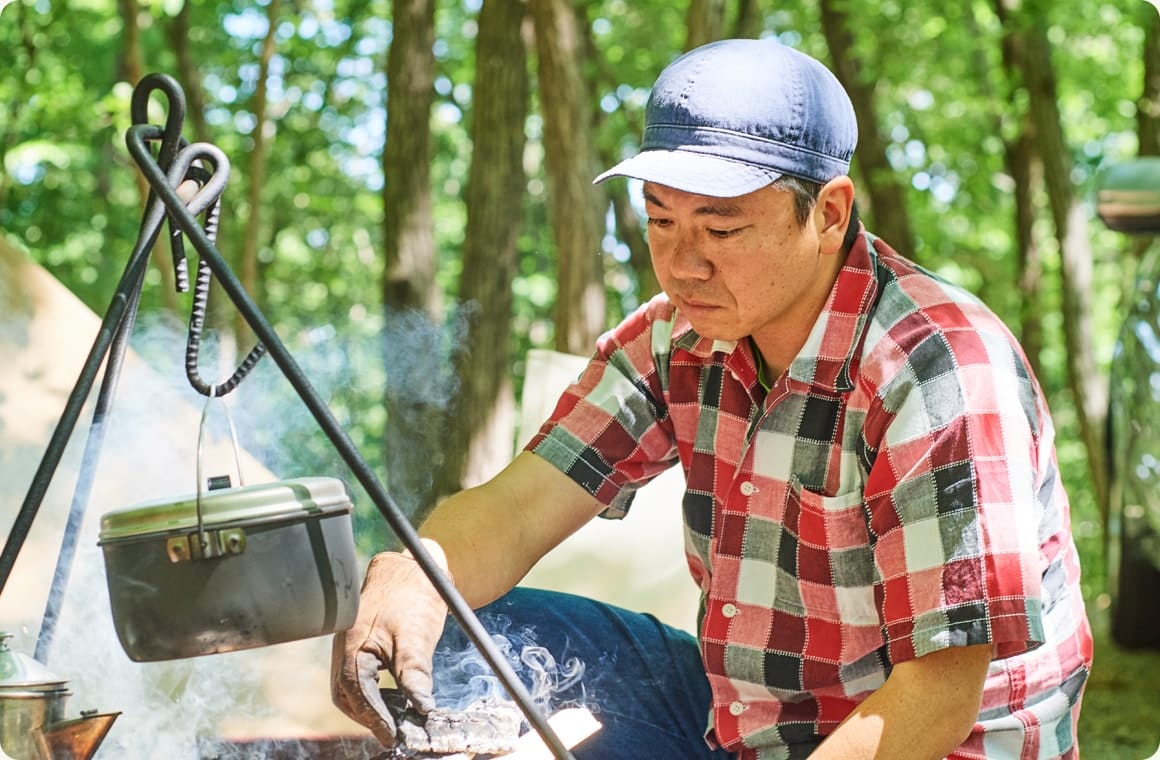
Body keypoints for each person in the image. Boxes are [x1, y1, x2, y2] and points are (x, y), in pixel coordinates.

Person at [332, 38, 1094, 759]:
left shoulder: (938, 367)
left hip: (928, 738)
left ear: (828, 214)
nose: (681, 264)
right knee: (454, 623)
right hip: (744, 720)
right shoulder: (677, 339)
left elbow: (940, 691)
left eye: (720, 228)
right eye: (660, 220)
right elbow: (520, 506)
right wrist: (417, 570)